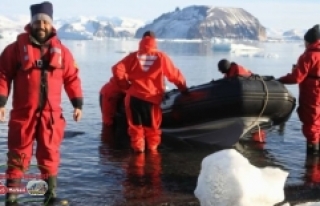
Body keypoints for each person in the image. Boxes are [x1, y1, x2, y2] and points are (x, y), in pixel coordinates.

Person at [0, 1, 83, 204]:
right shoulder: (15, 50)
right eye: (38, 22)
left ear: (51, 24)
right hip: (23, 114)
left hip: (51, 116)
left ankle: (50, 196)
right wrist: (1, 102)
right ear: (32, 24)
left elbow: (72, 78)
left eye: (45, 22)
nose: (42, 26)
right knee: (18, 154)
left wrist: (77, 104)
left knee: (50, 155)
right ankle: (12, 196)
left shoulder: (63, 52)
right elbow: (2, 75)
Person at [111, 30, 188, 153]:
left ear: (142, 40)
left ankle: (138, 158)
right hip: (151, 99)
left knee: (136, 130)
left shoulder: (132, 57)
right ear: (154, 41)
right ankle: (152, 160)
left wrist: (126, 86)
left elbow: (117, 69)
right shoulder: (161, 57)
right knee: (152, 131)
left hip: (133, 98)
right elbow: (174, 75)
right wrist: (183, 88)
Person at [277, 24, 320, 155]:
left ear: (309, 41)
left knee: (311, 122)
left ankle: (313, 159)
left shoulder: (308, 56)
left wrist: (280, 80)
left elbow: (297, 78)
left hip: (313, 93)